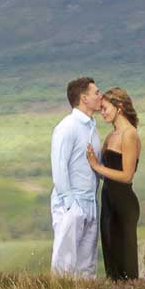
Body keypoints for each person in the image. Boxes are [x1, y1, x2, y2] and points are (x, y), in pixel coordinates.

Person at [49, 76, 104, 277]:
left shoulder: (93, 129)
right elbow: (59, 166)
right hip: (72, 203)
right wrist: (71, 205)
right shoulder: (67, 127)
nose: (101, 96)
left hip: (90, 202)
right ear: (84, 98)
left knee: (87, 265)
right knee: (64, 263)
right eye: (96, 92)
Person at [87, 87, 141, 280]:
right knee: (110, 256)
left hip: (124, 204)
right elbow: (105, 171)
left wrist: (96, 165)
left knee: (125, 261)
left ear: (119, 107)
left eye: (104, 108)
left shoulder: (130, 134)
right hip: (108, 202)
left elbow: (127, 176)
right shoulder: (111, 136)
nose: (102, 113)